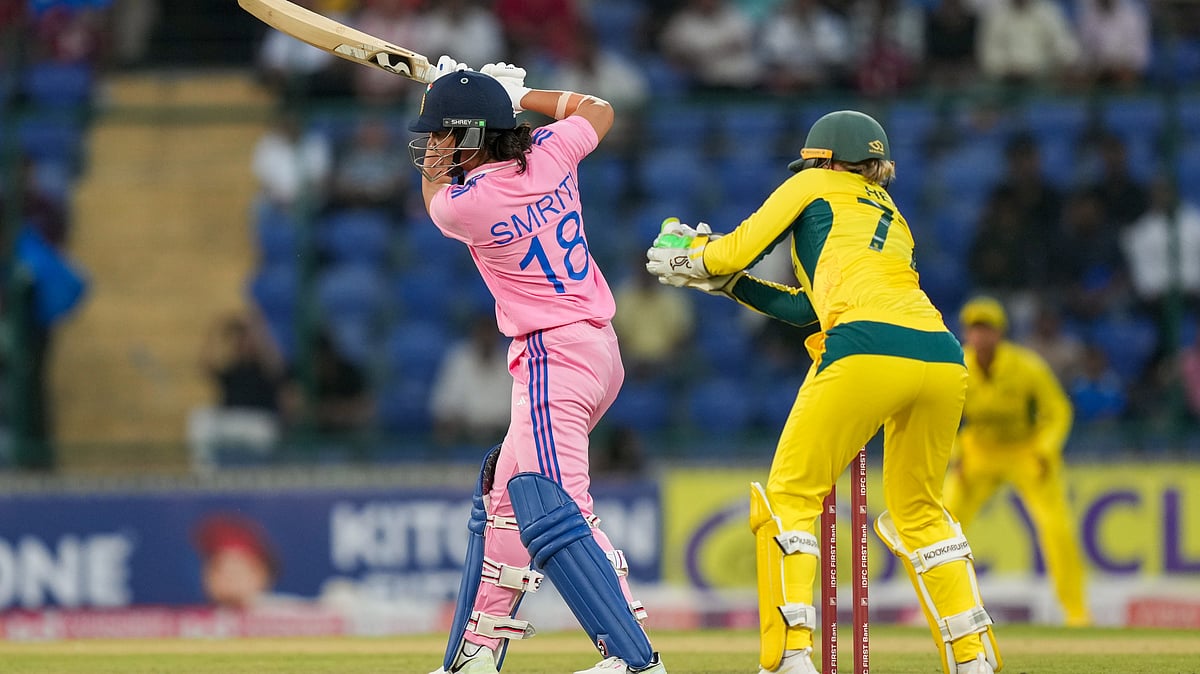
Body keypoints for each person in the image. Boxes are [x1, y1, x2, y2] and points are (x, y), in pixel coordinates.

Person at [645, 110, 1000, 674]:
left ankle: (789, 657)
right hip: (940, 354)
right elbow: (810, 307)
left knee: (790, 498)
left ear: (822, 158)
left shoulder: (810, 183)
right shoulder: (891, 212)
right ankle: (972, 657)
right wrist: (728, 285)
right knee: (920, 514)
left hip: (864, 349)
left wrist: (693, 258)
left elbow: (735, 249)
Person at [408, 60, 666, 674]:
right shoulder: (551, 152)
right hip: (597, 350)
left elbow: (435, 193)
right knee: (504, 494)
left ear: (468, 137)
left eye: (442, 134)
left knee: (557, 506)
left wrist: (466, 112)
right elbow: (597, 107)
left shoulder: (467, 205)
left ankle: (634, 658)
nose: (432, 145)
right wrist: (519, 94)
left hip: (553, 357)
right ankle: (479, 649)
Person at [944, 296, 1092, 627]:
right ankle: (945, 610)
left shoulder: (1027, 366)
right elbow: (943, 417)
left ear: (1000, 333)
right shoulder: (958, 365)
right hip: (979, 451)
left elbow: (1058, 412)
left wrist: (1045, 449)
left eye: (986, 328)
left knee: (1057, 530)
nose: (979, 336)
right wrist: (957, 455)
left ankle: (1077, 614)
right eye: (973, 328)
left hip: (1026, 451)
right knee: (944, 526)